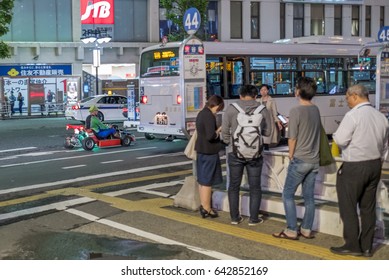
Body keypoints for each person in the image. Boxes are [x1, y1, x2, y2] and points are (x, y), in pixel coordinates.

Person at [330, 84, 389, 257]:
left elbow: (340, 139)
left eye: (347, 97)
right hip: (374, 165)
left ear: (355, 96)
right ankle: (367, 246)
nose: (346, 100)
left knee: (348, 206)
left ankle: (352, 245)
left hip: (355, 166)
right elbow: (386, 145)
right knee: (368, 207)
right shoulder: (381, 116)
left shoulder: (353, 115)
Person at [272, 77, 321, 240]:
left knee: (287, 194)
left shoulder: (295, 110)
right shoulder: (315, 109)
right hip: (314, 160)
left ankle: (291, 230)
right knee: (309, 197)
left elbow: (292, 138)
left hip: (300, 159)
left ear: (299, 91)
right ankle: (306, 229)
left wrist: (291, 155)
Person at [222, 85, 271, 225]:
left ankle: (234, 218)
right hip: (255, 154)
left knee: (234, 186)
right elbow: (268, 133)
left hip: (235, 152)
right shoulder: (262, 109)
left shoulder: (231, 108)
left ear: (240, 95)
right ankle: (254, 219)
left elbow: (225, 132)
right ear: (256, 96)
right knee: (255, 187)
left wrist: (231, 144)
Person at [195, 95, 225, 219]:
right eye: (219, 108)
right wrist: (218, 131)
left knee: (202, 180)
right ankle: (207, 208)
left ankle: (204, 205)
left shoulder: (201, 113)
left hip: (201, 150)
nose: (218, 110)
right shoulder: (209, 116)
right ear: (216, 105)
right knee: (207, 181)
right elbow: (210, 136)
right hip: (209, 151)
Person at [257, 84, 283, 148]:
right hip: (260, 121)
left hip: (269, 121)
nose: (263, 91)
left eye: (265, 90)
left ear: (268, 91)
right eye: (261, 90)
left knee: (268, 136)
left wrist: (278, 123)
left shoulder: (272, 100)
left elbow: (274, 112)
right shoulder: (258, 101)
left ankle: (267, 148)